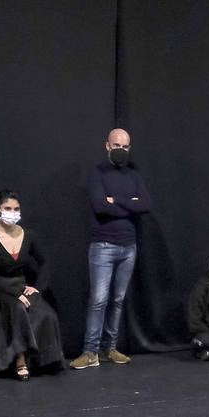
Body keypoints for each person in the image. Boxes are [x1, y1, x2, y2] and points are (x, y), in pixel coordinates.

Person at [70, 129, 152, 370]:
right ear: (107, 145)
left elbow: (146, 204)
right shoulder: (96, 173)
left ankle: (110, 348)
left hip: (129, 246)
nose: (120, 150)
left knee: (117, 300)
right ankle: (90, 351)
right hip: (103, 246)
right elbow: (99, 206)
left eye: (125, 146)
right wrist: (130, 203)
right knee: (98, 300)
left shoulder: (135, 175)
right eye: (116, 145)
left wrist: (115, 200)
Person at [0, 190, 64, 380]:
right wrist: (14, 293)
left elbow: (45, 262)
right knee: (18, 308)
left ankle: (45, 359)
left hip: (22, 286)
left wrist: (37, 287)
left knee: (46, 313)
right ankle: (20, 359)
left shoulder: (29, 235)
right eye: (7, 208)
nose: (12, 212)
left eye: (16, 209)